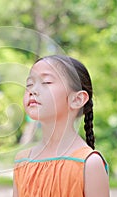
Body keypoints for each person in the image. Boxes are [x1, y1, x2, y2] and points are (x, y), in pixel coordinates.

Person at [13, 55, 109, 197]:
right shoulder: (22, 161)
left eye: (46, 82)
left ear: (77, 99)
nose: (32, 90)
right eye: (29, 84)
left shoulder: (89, 163)